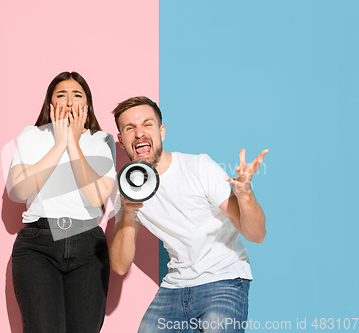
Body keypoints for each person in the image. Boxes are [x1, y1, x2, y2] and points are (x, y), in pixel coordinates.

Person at [109, 96, 268, 333]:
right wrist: (129, 211)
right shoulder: (127, 187)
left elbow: (256, 235)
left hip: (223, 279)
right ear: (121, 141)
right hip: (174, 287)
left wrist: (245, 195)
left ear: (162, 132)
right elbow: (120, 266)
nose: (140, 133)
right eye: (130, 128)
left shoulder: (198, 167)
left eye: (147, 124)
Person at [9, 71, 116, 333]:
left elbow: (96, 197)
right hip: (38, 245)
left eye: (77, 95)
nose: (69, 101)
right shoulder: (32, 136)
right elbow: (21, 190)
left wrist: (74, 143)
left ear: (87, 106)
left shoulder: (100, 141)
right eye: (61, 95)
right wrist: (59, 144)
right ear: (50, 105)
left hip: (88, 246)